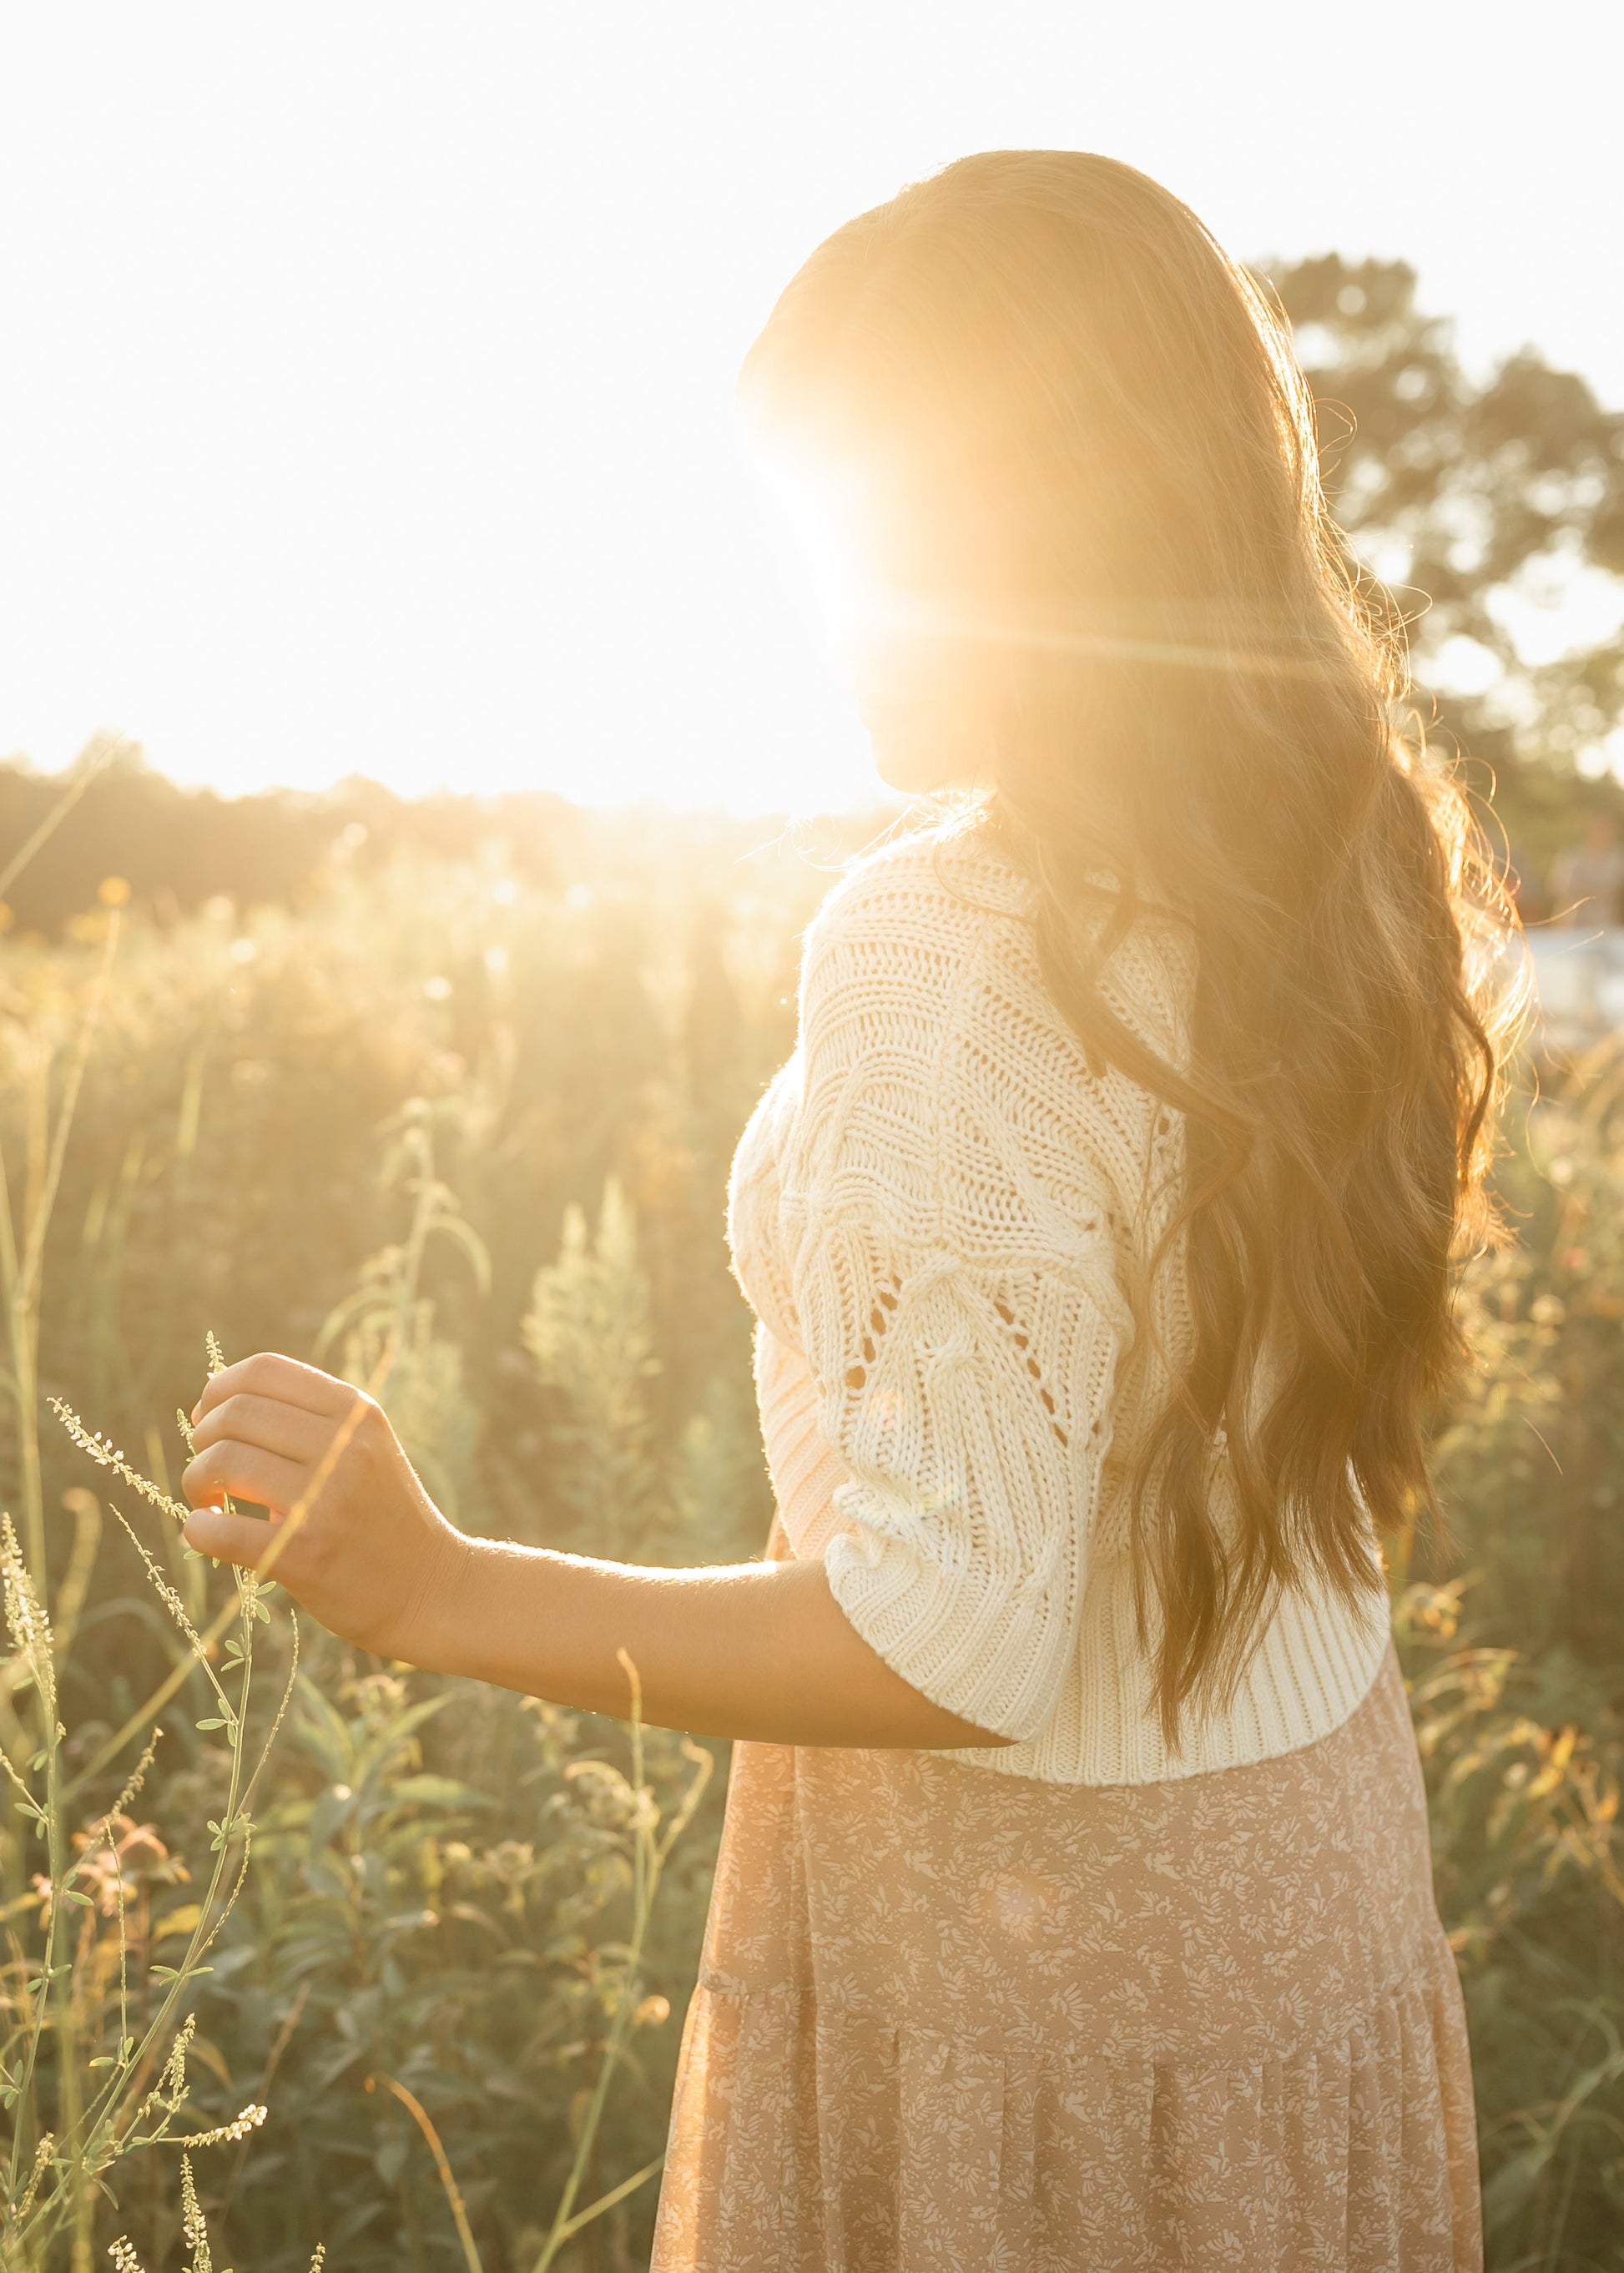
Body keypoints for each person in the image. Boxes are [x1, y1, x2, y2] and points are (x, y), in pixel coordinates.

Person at [180, 153, 1515, 2270]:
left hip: (1018, 1949)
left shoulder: (941, 946)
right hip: (1293, 1877)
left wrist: (431, 1585)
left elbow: (951, 1635)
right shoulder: (1349, 865)